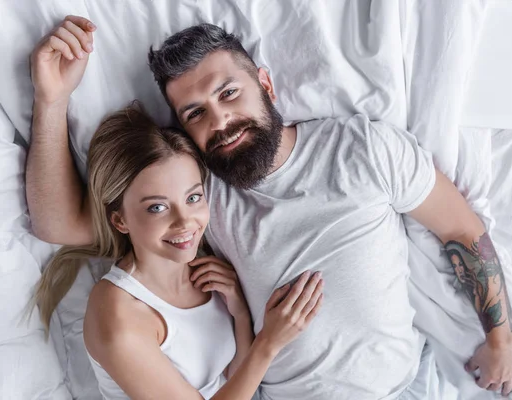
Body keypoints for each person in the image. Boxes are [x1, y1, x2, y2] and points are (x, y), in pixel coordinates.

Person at [27, 16, 512, 399]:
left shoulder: (363, 148)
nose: (220, 120)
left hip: (408, 386)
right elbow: (59, 222)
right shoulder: (197, 198)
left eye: (229, 93)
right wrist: (52, 100)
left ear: (265, 84)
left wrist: (500, 339)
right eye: (196, 113)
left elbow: (461, 229)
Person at [33, 102, 324, 399]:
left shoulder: (207, 269)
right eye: (157, 207)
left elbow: (232, 379)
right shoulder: (120, 313)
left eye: (193, 197)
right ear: (120, 219)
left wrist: (239, 313)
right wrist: (269, 343)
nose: (185, 222)